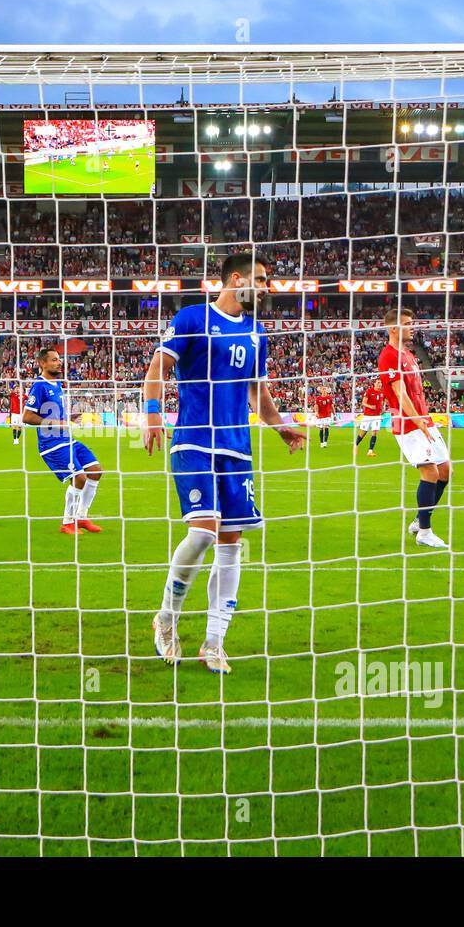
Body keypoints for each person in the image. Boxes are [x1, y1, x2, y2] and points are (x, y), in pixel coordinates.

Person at [142, 251, 306, 675]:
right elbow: (157, 366)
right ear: (237, 279)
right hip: (194, 440)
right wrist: (154, 415)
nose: (268, 288)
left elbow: (258, 393)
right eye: (263, 279)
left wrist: (280, 426)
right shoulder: (192, 318)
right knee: (202, 533)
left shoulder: (257, 332)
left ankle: (214, 642)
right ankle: (167, 617)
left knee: (231, 545)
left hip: (237, 448)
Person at [378, 307, 452, 549]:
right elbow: (400, 394)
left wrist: (424, 418)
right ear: (393, 328)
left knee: (445, 471)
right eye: (407, 323)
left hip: (423, 420)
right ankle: (425, 532)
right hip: (408, 423)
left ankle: (419, 521)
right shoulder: (389, 356)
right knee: (430, 472)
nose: (412, 326)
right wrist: (418, 420)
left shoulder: (408, 354)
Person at [24, 348, 103, 535]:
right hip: (51, 445)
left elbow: (55, 414)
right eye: (53, 360)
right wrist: (56, 423)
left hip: (67, 439)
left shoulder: (57, 384)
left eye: (59, 360)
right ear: (42, 363)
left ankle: (82, 517)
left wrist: (71, 417)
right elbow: (27, 417)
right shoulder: (40, 386)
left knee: (96, 470)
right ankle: (68, 522)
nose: (59, 363)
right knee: (79, 477)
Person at [355, 378, 386, 457]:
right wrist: (370, 406)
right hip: (368, 416)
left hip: (377, 416)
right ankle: (355, 445)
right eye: (378, 382)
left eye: (380, 383)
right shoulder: (369, 391)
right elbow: (363, 403)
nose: (380, 384)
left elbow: (382, 401)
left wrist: (383, 408)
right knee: (363, 433)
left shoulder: (382, 392)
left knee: (375, 432)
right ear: (374, 384)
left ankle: (370, 451)